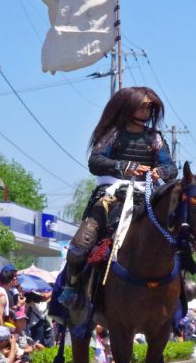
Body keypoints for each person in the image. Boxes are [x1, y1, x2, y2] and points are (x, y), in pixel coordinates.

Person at [60, 86, 177, 307]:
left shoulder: (155, 138)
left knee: (177, 241)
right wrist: (125, 166)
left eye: (149, 106)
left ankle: (177, 293)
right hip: (111, 197)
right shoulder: (112, 134)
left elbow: (171, 166)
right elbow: (95, 162)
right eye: (142, 105)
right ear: (128, 105)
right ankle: (72, 287)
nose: (146, 110)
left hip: (147, 198)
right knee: (80, 243)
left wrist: (160, 171)